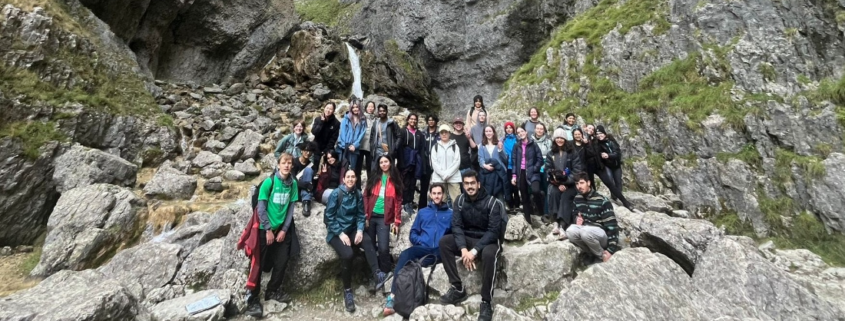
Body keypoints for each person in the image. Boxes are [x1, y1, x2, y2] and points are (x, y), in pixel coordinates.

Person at [439, 170, 504, 321]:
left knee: (489, 254)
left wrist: (474, 252)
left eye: (472, 183)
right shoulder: (460, 201)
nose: (470, 186)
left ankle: (486, 302)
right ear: (463, 185)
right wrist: (463, 249)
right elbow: (456, 226)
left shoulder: (492, 203)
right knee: (444, 242)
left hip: (487, 241)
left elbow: (493, 232)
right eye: (466, 183)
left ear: (478, 184)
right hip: (467, 239)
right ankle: (458, 288)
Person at [242, 153, 300, 317]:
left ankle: (272, 291)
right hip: (264, 229)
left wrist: (284, 229)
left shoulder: (293, 184)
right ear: (278, 164)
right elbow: (260, 208)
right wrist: (267, 229)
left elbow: (291, 208)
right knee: (258, 264)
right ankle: (253, 298)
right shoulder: (269, 182)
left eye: (289, 163)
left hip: (281, 228)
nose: (287, 166)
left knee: (282, 261)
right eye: (284, 163)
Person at [383, 183, 453, 316]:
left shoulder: (450, 214)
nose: (437, 196)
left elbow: (455, 234)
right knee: (405, 255)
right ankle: (392, 297)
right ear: (430, 195)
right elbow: (413, 233)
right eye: (434, 193)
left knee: (423, 261)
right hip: (423, 248)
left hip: (440, 250)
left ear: (443, 195)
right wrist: (420, 241)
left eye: (439, 193)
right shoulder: (423, 212)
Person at [324, 169, 381, 313]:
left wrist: (360, 230)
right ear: (343, 179)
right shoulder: (337, 193)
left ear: (356, 179)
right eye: (348, 177)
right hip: (337, 232)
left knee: (367, 241)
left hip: (352, 229)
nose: (350, 179)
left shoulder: (357, 194)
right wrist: (340, 233)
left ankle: (377, 274)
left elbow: (361, 215)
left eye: (353, 177)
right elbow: (328, 217)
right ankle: (347, 291)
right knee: (348, 255)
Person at [364, 155, 403, 291]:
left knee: (384, 248)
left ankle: (386, 277)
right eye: (381, 162)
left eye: (386, 161)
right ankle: (374, 276)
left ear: (391, 163)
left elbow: (398, 201)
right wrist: (366, 216)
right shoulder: (374, 177)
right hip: (371, 216)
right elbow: (366, 196)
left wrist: (397, 221)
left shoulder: (395, 180)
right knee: (369, 247)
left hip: (384, 218)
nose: (384, 164)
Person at [566, 172, 619, 264]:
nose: (579, 186)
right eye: (577, 184)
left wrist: (611, 249)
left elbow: (612, 227)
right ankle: (593, 253)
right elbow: (575, 214)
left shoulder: (602, 200)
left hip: (601, 234)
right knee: (570, 231)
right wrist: (576, 220)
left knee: (585, 232)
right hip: (586, 231)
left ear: (589, 183)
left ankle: (603, 256)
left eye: (582, 183)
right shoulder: (577, 198)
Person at [545, 129, 583, 236]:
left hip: (570, 183)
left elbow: (577, 170)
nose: (559, 140)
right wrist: (557, 182)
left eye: (562, 138)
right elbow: (548, 170)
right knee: (554, 193)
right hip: (556, 184)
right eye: (557, 138)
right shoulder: (550, 154)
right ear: (554, 139)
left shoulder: (572, 153)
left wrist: (566, 182)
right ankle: (555, 221)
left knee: (566, 197)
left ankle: (563, 224)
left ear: (565, 139)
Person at [509, 126, 543, 225]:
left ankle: (541, 213)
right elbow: (514, 162)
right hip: (521, 173)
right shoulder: (516, 146)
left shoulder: (533, 144)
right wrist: (514, 176)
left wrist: (534, 168)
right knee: (524, 196)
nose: (520, 133)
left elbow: (540, 159)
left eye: (522, 131)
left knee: (536, 191)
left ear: (526, 132)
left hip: (533, 172)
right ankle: (528, 220)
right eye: (518, 132)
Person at [595, 125, 633, 210]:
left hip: (616, 165)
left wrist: (608, 155)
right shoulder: (597, 144)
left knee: (618, 182)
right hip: (607, 166)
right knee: (610, 181)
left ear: (604, 134)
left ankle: (617, 197)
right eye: (597, 134)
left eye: (600, 133)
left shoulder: (611, 141)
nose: (599, 135)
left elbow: (617, 153)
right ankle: (614, 195)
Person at [398, 113, 425, 215]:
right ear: (408, 120)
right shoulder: (403, 131)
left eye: (415, 119)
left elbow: (421, 149)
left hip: (415, 161)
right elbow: (400, 147)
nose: (413, 121)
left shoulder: (419, 134)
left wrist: (422, 163)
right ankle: (404, 202)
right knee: (405, 182)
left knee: (413, 182)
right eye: (411, 119)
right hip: (406, 159)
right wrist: (401, 161)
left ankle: (410, 200)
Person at [431, 124, 463, 205]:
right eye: (442, 133)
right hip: (439, 178)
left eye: (446, 132)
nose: (444, 134)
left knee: (457, 201)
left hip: (453, 178)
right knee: (440, 201)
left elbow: (457, 162)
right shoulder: (435, 147)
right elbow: (434, 163)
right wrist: (443, 174)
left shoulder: (455, 146)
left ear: (449, 133)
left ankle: (457, 217)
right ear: (439, 134)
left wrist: (447, 174)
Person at [337, 100, 367, 181]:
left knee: (352, 169)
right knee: (343, 168)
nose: (355, 109)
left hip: (354, 149)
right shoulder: (346, 118)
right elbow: (342, 132)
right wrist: (345, 145)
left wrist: (355, 145)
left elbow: (362, 134)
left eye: (357, 107)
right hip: (344, 147)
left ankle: (351, 188)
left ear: (359, 108)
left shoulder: (363, 120)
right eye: (353, 107)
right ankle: (342, 188)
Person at [478, 125, 507, 202]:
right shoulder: (482, 145)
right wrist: (485, 165)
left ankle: (501, 212)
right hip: (487, 174)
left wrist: (500, 150)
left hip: (498, 173)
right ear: (484, 133)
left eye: (490, 131)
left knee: (499, 194)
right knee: (488, 195)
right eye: (486, 131)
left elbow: (505, 159)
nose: (488, 133)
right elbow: (480, 158)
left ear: (493, 132)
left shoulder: (499, 144)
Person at [292, 142, 319, 217]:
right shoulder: (294, 162)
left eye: (310, 151)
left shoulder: (312, 166)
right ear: (301, 151)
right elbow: (292, 179)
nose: (308, 153)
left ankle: (306, 202)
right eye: (306, 150)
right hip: (294, 190)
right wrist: (306, 185)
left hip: (304, 193)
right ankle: (306, 200)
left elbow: (312, 185)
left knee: (308, 170)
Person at [419, 115, 440, 209]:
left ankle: (436, 205)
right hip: (425, 162)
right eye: (429, 120)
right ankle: (422, 207)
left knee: (436, 185)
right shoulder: (423, 133)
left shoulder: (439, 133)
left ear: (436, 121)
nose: (431, 122)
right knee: (424, 186)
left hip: (437, 162)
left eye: (433, 120)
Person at [502, 122, 520, 212]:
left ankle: (517, 204)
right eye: (507, 128)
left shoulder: (517, 139)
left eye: (510, 127)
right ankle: (511, 204)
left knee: (516, 186)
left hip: (516, 165)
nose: (509, 129)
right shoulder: (502, 140)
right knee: (508, 186)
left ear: (513, 129)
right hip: (507, 166)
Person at [359, 101, 378, 179]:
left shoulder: (376, 119)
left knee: (370, 168)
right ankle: (357, 187)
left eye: (372, 107)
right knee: (358, 168)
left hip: (370, 147)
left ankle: (370, 188)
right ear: (366, 108)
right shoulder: (361, 117)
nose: (370, 108)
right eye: (369, 106)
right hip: (360, 146)